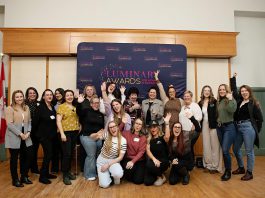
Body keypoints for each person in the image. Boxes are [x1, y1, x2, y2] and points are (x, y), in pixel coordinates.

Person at [230, 73, 263, 181]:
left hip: (248, 127)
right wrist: (233, 78)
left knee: (249, 151)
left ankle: (249, 172)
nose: (244, 92)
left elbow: (260, 119)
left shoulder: (253, 103)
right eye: (242, 91)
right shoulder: (239, 100)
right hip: (238, 127)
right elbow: (234, 90)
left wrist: (255, 130)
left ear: (249, 92)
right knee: (235, 148)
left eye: (246, 91)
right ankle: (241, 167)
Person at [5, 90, 33, 187]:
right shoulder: (9, 108)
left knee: (28, 156)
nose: (19, 98)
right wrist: (21, 134)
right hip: (14, 136)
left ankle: (24, 176)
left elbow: (29, 121)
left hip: (26, 135)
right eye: (17, 97)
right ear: (14, 98)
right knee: (14, 159)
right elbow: (9, 124)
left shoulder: (26, 107)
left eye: (21, 96)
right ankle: (15, 179)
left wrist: (28, 132)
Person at [32, 89, 57, 184]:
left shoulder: (52, 107)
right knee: (48, 154)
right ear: (43, 97)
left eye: (51, 94)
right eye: (47, 95)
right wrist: (37, 135)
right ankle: (42, 176)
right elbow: (35, 122)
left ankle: (46, 173)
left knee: (49, 155)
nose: (49, 96)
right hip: (43, 136)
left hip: (52, 136)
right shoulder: (40, 108)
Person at [77, 95, 105, 181]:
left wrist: (99, 134)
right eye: (95, 103)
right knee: (91, 154)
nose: (96, 104)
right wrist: (79, 103)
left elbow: (102, 127)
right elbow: (78, 112)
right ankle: (89, 174)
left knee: (98, 155)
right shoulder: (86, 111)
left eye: (98, 103)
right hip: (86, 136)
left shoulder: (101, 114)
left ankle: (97, 172)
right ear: (91, 104)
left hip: (97, 137)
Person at [57, 90, 80, 185]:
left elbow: (77, 118)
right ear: (64, 97)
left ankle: (68, 172)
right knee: (66, 154)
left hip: (74, 133)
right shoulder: (61, 107)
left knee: (70, 154)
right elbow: (58, 121)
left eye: (71, 95)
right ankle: (65, 175)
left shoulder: (75, 107)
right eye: (67, 95)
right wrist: (62, 134)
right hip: (65, 133)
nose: (69, 97)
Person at [198, 85, 223, 173]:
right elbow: (198, 115)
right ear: (203, 92)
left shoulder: (215, 101)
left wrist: (217, 123)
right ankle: (208, 165)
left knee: (215, 146)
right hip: (204, 125)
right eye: (205, 90)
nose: (207, 92)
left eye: (208, 90)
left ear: (210, 92)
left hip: (213, 126)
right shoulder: (200, 103)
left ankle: (215, 166)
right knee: (206, 145)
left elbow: (218, 114)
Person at [96, 121, 127, 188]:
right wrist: (96, 135)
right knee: (104, 185)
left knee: (118, 174)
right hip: (101, 161)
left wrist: (108, 165)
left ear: (117, 127)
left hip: (113, 161)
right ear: (109, 129)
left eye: (114, 126)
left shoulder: (123, 140)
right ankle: (107, 176)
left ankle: (114, 175)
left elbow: (120, 157)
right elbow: (94, 138)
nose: (112, 129)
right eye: (110, 127)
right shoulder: (106, 135)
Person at [216, 84, 237, 181]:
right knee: (224, 151)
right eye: (220, 89)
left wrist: (230, 98)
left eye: (223, 89)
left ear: (227, 90)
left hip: (229, 127)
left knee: (225, 150)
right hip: (220, 128)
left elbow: (232, 110)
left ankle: (228, 171)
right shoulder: (219, 101)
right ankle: (226, 169)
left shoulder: (231, 100)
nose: (221, 91)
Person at [144, 114, 171, 186]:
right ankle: (157, 174)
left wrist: (167, 123)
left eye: (155, 127)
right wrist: (154, 159)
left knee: (149, 165)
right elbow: (148, 151)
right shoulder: (148, 139)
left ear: (158, 128)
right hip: (154, 162)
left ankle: (161, 176)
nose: (153, 129)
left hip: (163, 161)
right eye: (151, 127)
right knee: (147, 182)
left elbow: (167, 136)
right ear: (149, 129)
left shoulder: (162, 137)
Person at [121, 118, 147, 184]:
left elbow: (141, 152)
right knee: (130, 170)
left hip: (139, 160)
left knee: (138, 181)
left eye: (140, 124)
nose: (138, 126)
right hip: (128, 159)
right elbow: (116, 132)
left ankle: (137, 173)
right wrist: (122, 123)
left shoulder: (143, 137)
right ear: (133, 124)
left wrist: (133, 162)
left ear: (142, 126)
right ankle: (129, 173)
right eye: (136, 123)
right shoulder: (126, 133)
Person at [179, 90, 202, 163]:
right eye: (185, 96)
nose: (186, 97)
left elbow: (199, 117)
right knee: (189, 146)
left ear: (191, 97)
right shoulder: (183, 107)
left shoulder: (195, 105)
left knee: (188, 146)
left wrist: (194, 125)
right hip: (184, 131)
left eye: (188, 96)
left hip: (193, 130)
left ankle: (190, 163)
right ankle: (190, 162)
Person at [25, 87, 40, 174]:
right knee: (27, 151)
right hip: (26, 131)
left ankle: (34, 168)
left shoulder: (39, 103)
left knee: (34, 150)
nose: (32, 94)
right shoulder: (24, 104)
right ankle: (25, 170)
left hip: (36, 131)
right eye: (30, 93)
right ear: (27, 95)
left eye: (34, 93)